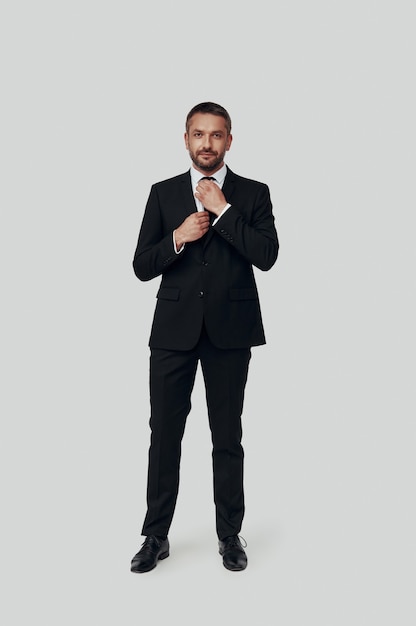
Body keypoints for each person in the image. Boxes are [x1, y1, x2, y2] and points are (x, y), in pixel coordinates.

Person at [130, 102, 279, 573]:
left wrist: (224, 211)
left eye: (216, 135)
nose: (207, 143)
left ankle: (229, 534)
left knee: (227, 435)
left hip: (230, 332)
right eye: (199, 134)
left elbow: (267, 255)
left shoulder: (253, 194)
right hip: (172, 333)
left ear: (229, 140)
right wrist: (176, 237)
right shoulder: (163, 193)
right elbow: (140, 266)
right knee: (164, 436)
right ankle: (155, 535)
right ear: (187, 139)